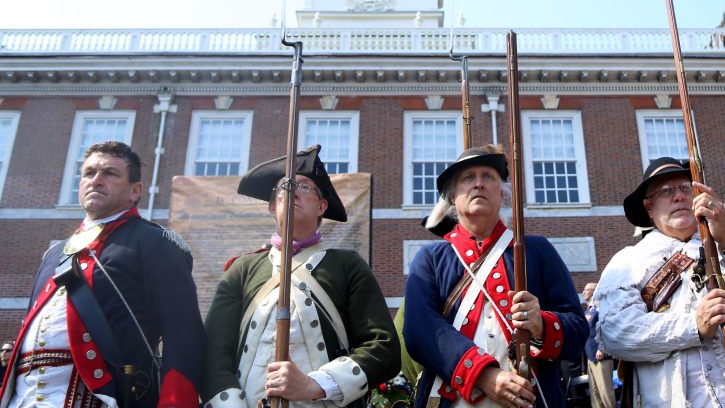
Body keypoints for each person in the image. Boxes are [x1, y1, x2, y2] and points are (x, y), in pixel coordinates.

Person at [0, 140, 205, 408]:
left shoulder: (154, 241)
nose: (96, 180)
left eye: (110, 173)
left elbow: (183, 331)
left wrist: (175, 403)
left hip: (100, 398)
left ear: (135, 191)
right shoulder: (54, 254)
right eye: (88, 173)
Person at [594, 157, 725, 408]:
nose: (679, 196)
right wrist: (694, 325)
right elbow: (616, 333)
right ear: (649, 207)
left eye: (685, 188)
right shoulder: (628, 261)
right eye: (666, 191)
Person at [202, 144, 401, 407]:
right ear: (272, 206)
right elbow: (214, 354)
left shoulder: (347, 265)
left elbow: (382, 348)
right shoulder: (243, 269)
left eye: (304, 187)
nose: (294, 191)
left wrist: (315, 384)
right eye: (286, 186)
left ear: (322, 206)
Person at [404, 145, 588, 408]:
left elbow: (578, 331)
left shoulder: (537, 250)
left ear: (502, 193)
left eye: (488, 176)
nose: (478, 184)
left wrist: (541, 324)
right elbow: (419, 330)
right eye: (468, 178)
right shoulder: (431, 258)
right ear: (453, 196)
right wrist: (482, 374)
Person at [582, 283, 614, 408]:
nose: (584, 292)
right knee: (595, 394)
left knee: (605, 392)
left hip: (600, 355)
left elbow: (606, 328)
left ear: (594, 291)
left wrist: (602, 348)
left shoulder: (601, 307)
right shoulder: (588, 309)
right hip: (590, 356)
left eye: (586, 290)